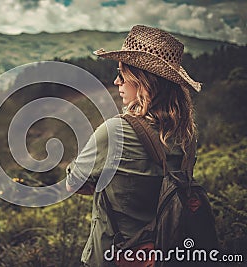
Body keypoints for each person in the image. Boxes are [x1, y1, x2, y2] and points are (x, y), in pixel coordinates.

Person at [65, 25, 202, 266]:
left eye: (122, 73)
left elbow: (73, 183)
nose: (116, 81)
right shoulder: (186, 134)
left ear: (144, 81)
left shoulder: (115, 131)